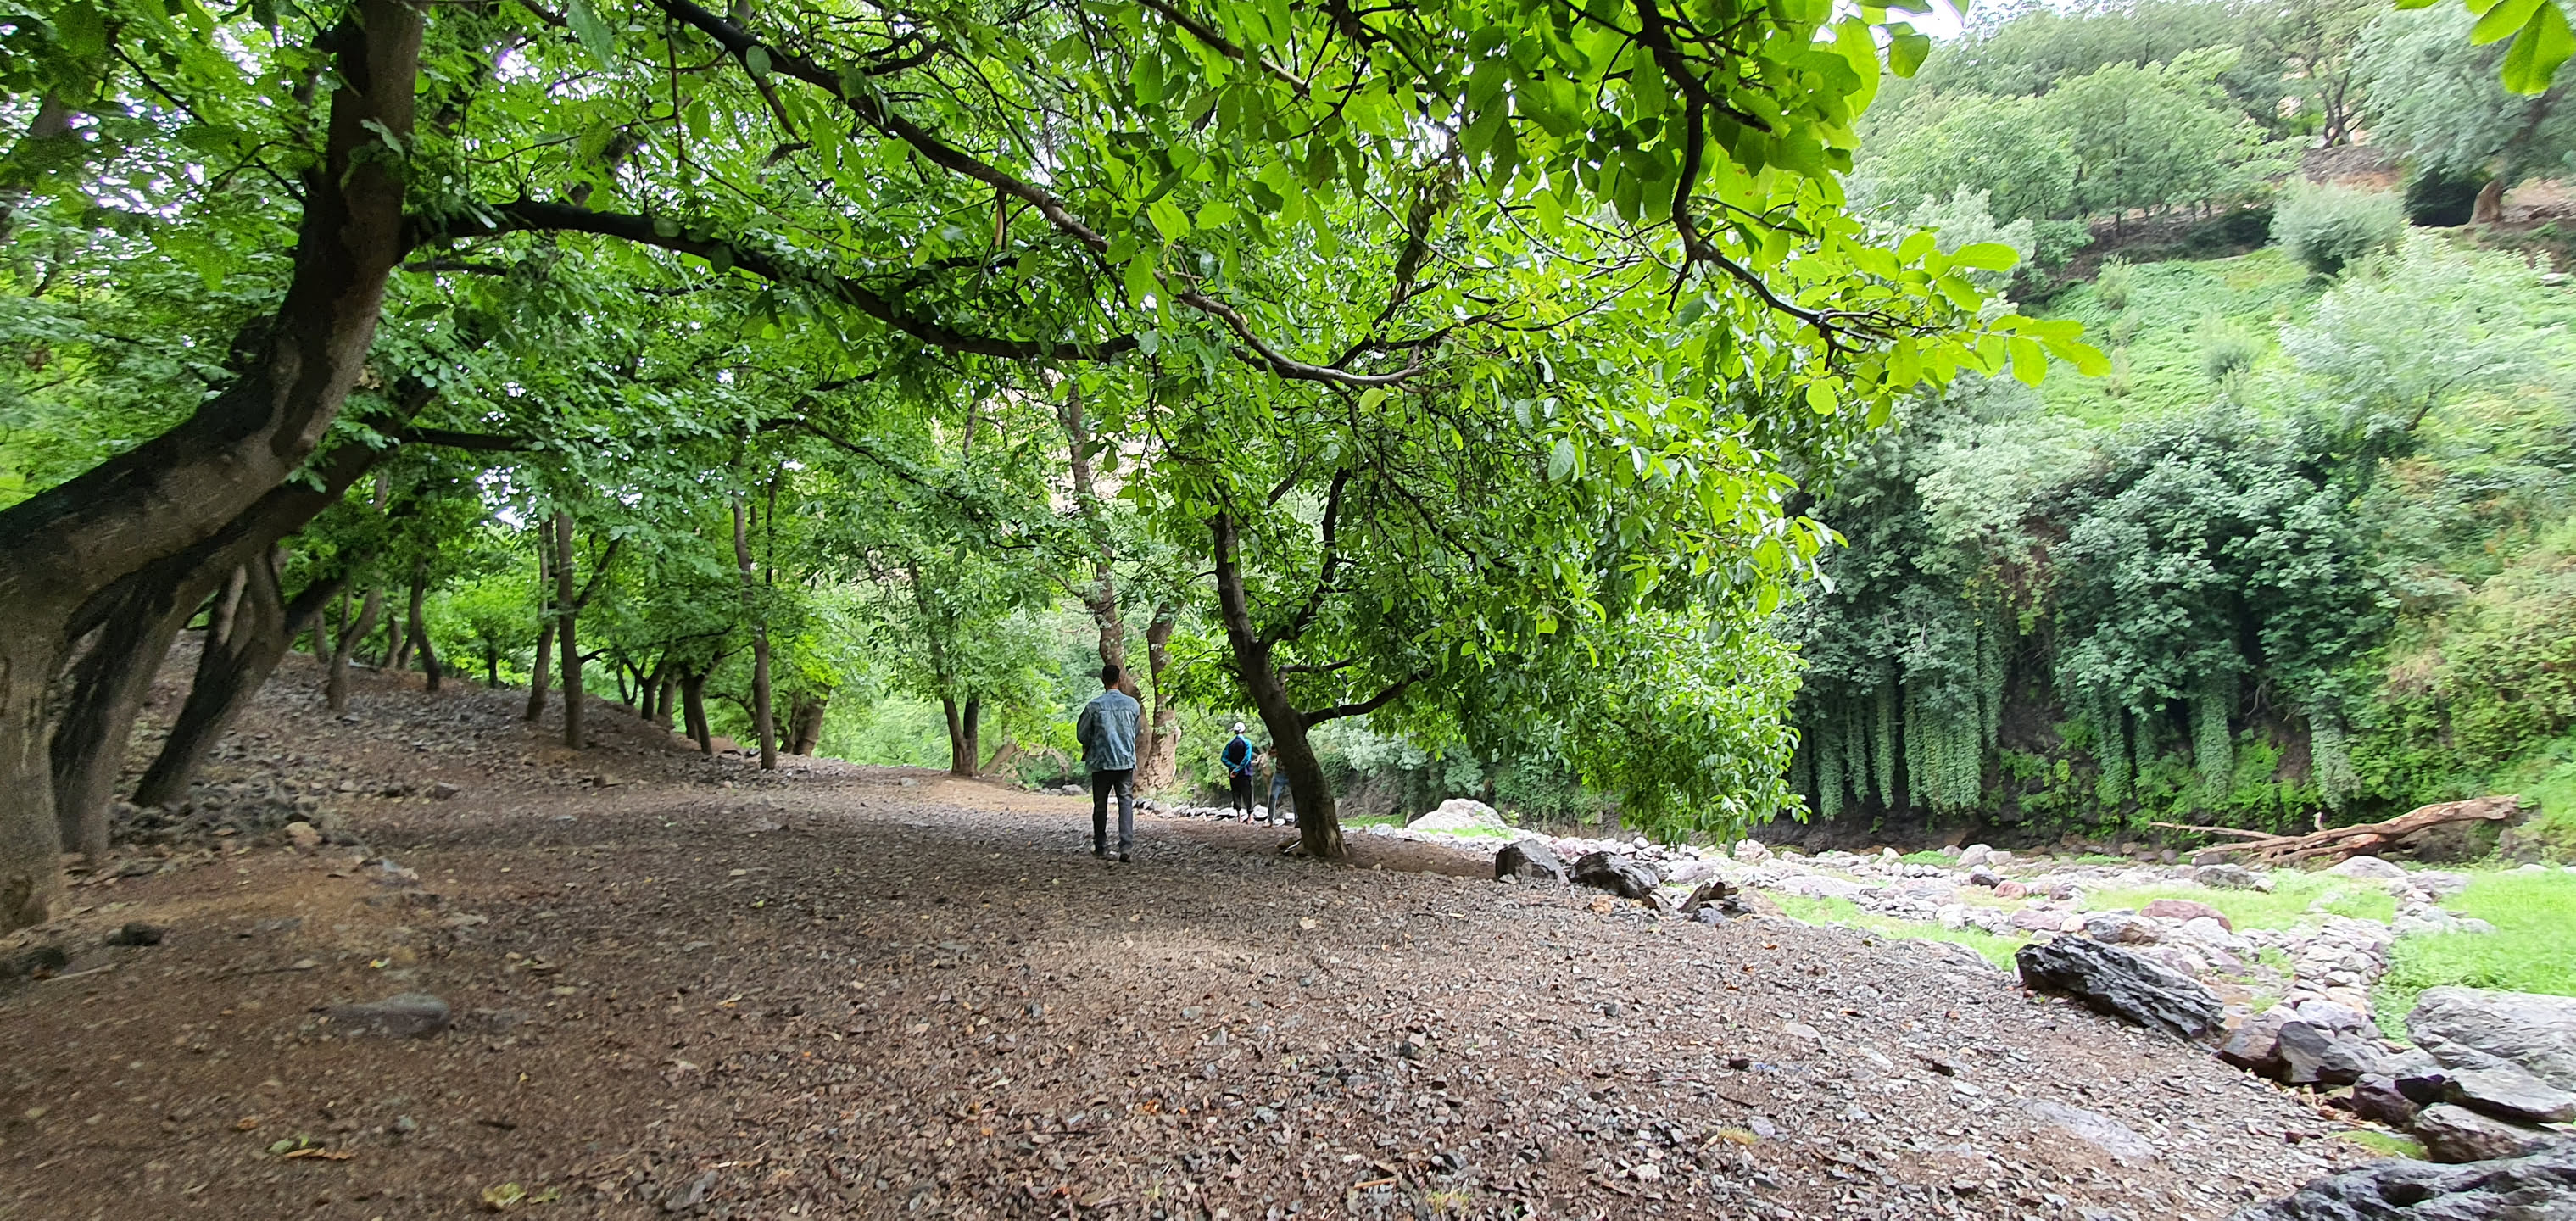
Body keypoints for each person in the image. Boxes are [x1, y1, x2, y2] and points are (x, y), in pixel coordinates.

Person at [1073, 662, 1141, 861]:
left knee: (1100, 804)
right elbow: (1136, 731)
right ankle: (1126, 847)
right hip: (1125, 761)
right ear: (1119, 680)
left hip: (1101, 761)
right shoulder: (1132, 705)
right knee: (1125, 802)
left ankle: (1100, 845)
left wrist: (1090, 744)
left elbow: (1081, 734)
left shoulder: (1094, 706)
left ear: (1103, 681)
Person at [1220, 722, 1257, 819]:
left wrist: (1233, 767)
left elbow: (1223, 758)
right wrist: (1239, 768)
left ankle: (1239, 816)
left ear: (1235, 732)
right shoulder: (1247, 742)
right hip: (1245, 772)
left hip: (1233, 774)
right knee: (1248, 793)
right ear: (1244, 731)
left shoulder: (1230, 744)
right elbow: (1247, 758)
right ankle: (1250, 816)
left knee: (1236, 792)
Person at [1266, 755, 1293, 828]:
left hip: (1292, 773)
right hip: (1279, 773)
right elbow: (1271, 754)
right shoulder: (1278, 748)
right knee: (1273, 797)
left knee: (1296, 797)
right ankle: (1270, 820)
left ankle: (1298, 820)